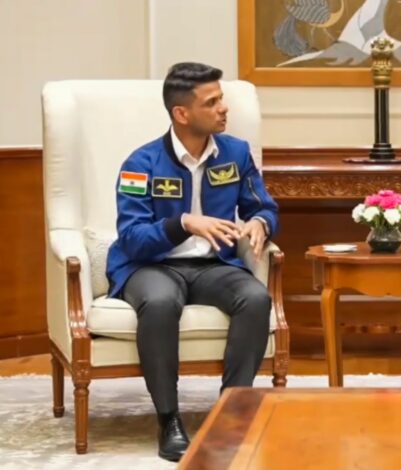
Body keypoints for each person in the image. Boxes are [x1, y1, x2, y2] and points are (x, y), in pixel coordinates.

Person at [106, 62, 279, 462]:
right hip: (152, 266)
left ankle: (232, 413)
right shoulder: (140, 164)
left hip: (213, 266)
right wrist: (184, 223)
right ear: (181, 113)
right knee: (160, 302)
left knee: (255, 298)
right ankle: (168, 419)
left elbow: (264, 206)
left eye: (222, 99)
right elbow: (133, 239)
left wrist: (259, 223)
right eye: (212, 102)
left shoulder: (236, 153)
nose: (224, 108)